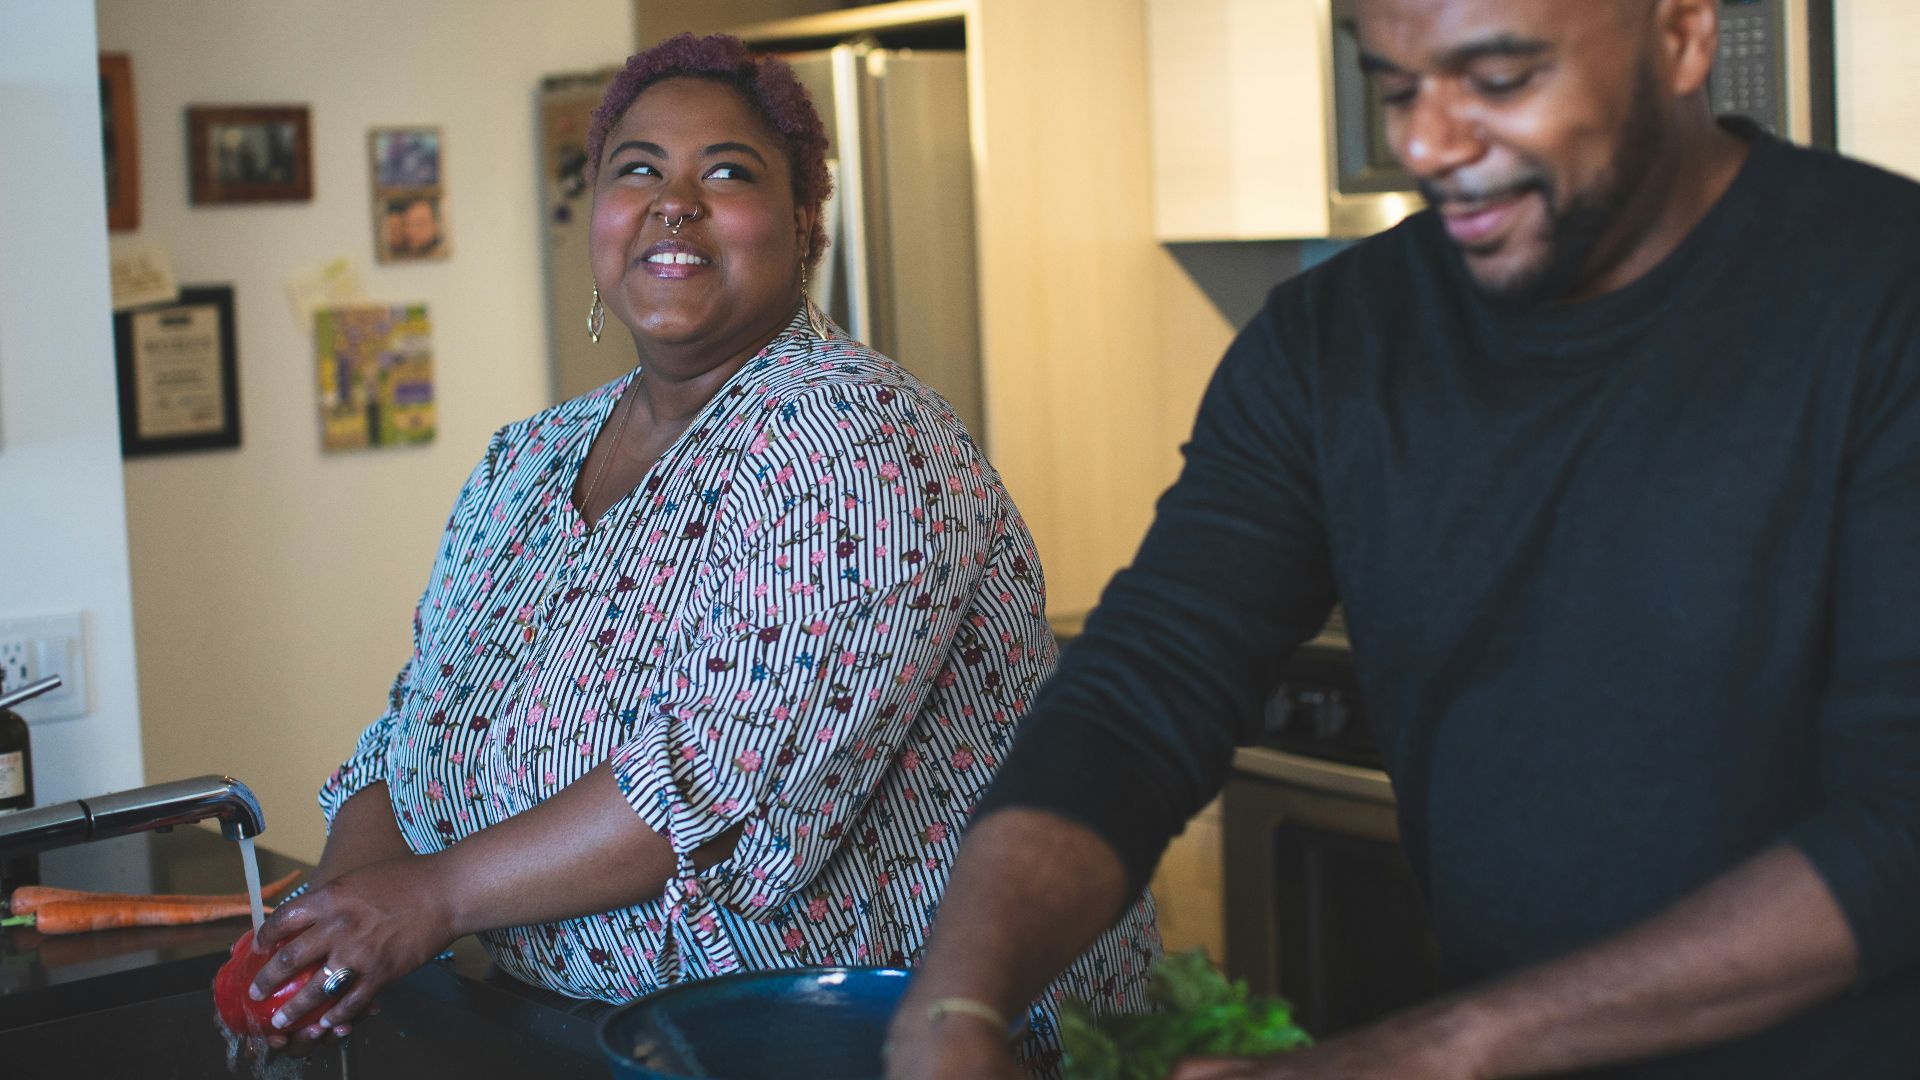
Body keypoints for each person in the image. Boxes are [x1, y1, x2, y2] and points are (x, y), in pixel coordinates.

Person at [886, 0, 1920, 1077]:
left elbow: (1904, 826)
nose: (1426, 144)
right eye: (1397, 88)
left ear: (1682, 36)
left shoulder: (1888, 292)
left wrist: (1435, 1049)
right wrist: (953, 1004)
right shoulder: (1330, 343)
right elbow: (1142, 693)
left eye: (1501, 80)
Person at [243, 33, 1157, 1074]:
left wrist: (430, 897)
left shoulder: (855, 436)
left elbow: (719, 781)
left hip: (886, 1045)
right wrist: (343, 910)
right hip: (606, 1034)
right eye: (638, 170)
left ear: (804, 224)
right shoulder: (527, 461)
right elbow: (418, 724)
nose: (673, 203)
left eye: (726, 173)